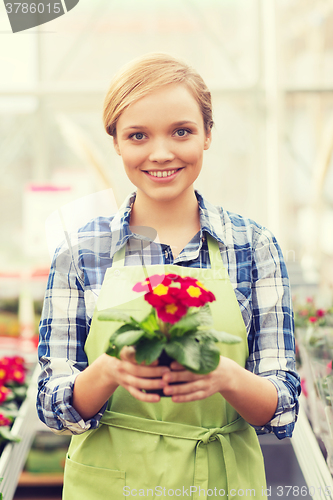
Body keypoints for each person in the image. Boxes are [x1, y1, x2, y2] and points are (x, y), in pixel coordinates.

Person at [37, 53, 301, 500]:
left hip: (224, 481)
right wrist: (109, 370)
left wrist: (224, 376)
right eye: (138, 135)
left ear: (208, 135)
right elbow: (52, 404)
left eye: (182, 131)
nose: (161, 153)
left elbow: (282, 408)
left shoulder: (253, 246)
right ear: (117, 143)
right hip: (110, 483)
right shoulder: (80, 252)